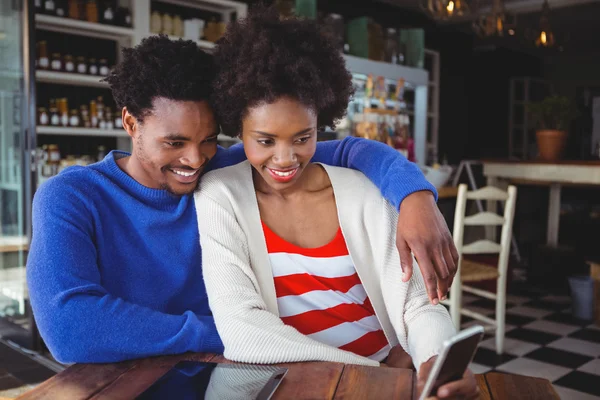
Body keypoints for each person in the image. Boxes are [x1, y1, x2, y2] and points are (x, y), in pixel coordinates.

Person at [27, 35, 456, 365]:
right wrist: (231, 331)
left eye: (209, 139)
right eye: (174, 142)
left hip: (233, 375)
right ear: (130, 123)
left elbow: (350, 151)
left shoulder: (225, 170)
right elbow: (70, 330)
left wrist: (416, 197)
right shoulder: (71, 197)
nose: (194, 160)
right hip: (136, 378)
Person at [195, 9, 478, 400]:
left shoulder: (362, 191)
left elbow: (418, 306)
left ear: (320, 123)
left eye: (302, 137)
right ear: (237, 130)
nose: (285, 158)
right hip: (299, 386)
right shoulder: (219, 196)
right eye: (264, 141)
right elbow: (245, 332)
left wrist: (433, 361)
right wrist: (380, 373)